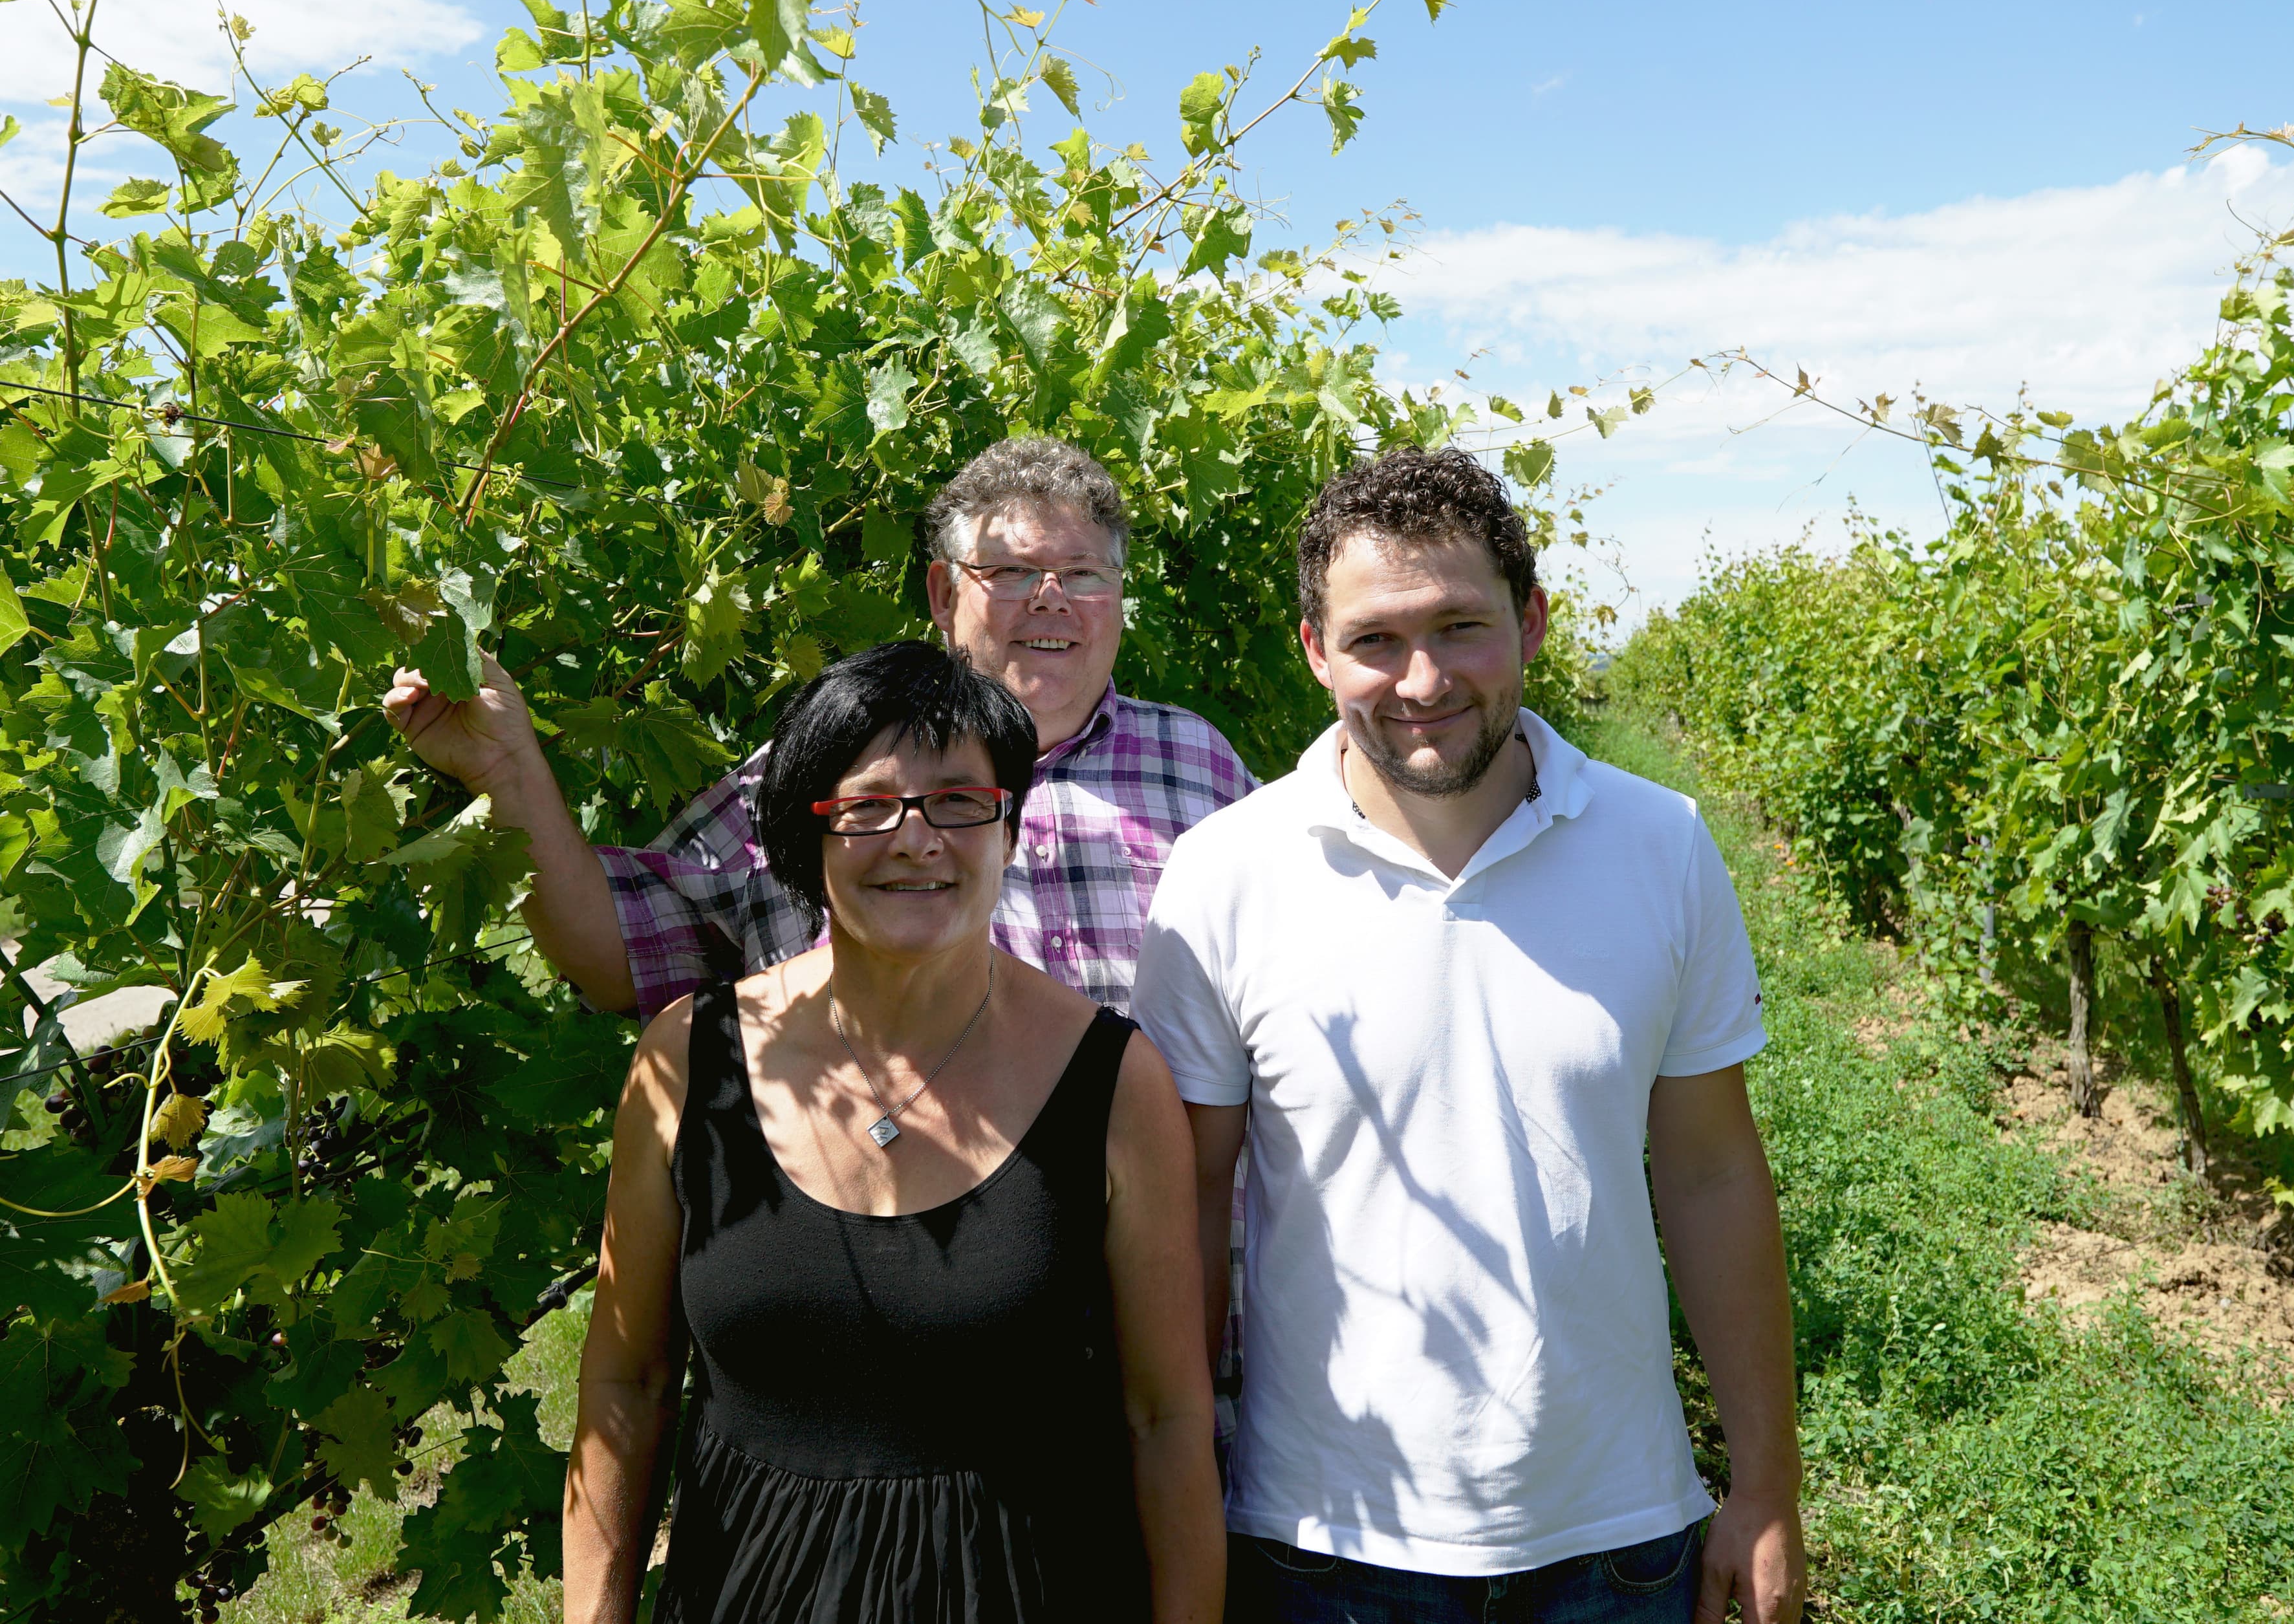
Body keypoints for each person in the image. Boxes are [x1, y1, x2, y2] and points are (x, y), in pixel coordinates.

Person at [1133, 448, 1807, 1623]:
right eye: (1376, 640)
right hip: (1321, 1546)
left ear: (1533, 623)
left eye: (1461, 626)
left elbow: (1709, 1170)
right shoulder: (1226, 873)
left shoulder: (1663, 844)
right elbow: (1187, 1203)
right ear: (1314, 651)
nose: (1423, 677)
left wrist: (1768, 1485)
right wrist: (1178, 1502)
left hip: (1619, 1537)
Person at [563, 640, 1223, 1624]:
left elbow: (1164, 1418)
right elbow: (630, 1381)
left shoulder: (1115, 1082)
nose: (918, 840)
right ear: (804, 835)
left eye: (960, 800)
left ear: (1008, 827)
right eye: (868, 806)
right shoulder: (686, 1059)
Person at [382, 436, 1257, 1019]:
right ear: (945, 596)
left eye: (1083, 573)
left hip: (1175, 1263)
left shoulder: (1201, 767)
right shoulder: (833, 765)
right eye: (1014, 570)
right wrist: (509, 771)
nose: (1053, 598)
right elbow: (618, 951)